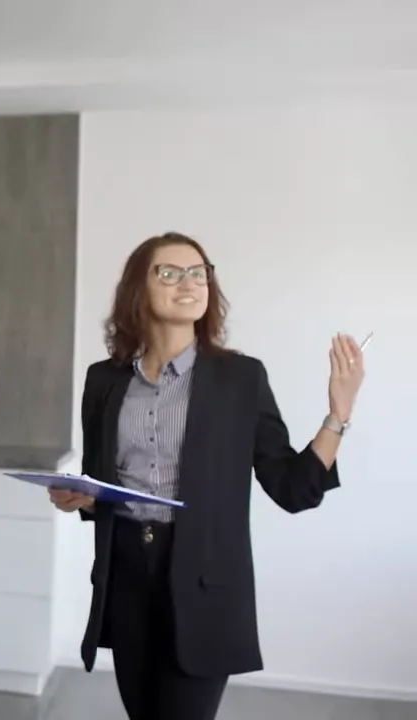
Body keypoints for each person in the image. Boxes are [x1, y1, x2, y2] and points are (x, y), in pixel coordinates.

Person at [48, 232, 365, 720]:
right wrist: (84, 498)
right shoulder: (104, 381)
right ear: (138, 288)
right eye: (169, 272)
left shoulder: (240, 380)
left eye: (199, 272)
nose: (189, 282)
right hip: (127, 577)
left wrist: (336, 416)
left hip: (203, 581)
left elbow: (292, 487)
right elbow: (103, 484)